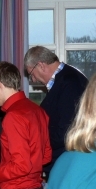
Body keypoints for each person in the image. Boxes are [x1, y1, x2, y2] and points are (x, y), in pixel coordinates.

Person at [24, 46, 88, 177]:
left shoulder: (70, 83)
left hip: (68, 165)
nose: (34, 80)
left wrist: (38, 147)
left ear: (41, 65)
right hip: (66, 162)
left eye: (32, 74)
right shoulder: (66, 79)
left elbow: (66, 131)